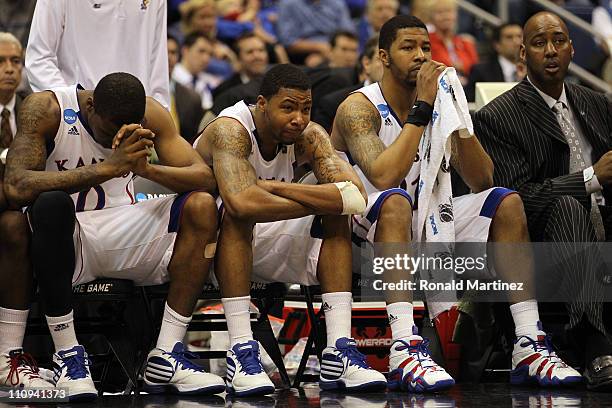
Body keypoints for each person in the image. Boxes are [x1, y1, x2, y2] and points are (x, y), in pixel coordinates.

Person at [331, 15, 581, 392]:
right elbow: (384, 176)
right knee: (397, 201)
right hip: (359, 232)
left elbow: (483, 179)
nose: (420, 56)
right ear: (383, 56)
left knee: (506, 202)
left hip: (424, 220)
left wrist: (456, 117)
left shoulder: (436, 103)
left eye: (426, 48)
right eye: (408, 47)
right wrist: (424, 108)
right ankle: (403, 345)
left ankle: (528, 342)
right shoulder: (358, 107)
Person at [4, 72, 224, 400]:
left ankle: (166, 353)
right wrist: (108, 167)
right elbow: (16, 186)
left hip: (126, 229)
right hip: (67, 238)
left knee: (202, 205)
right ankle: (67, 354)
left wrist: (148, 170)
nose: (116, 137)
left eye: (127, 128)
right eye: (110, 129)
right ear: (91, 106)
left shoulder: (151, 113)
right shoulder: (47, 108)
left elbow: (204, 177)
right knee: (48, 206)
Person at [195, 64, 387, 396]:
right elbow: (242, 203)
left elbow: (355, 195)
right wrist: (321, 200)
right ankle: (241, 348)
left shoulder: (309, 135)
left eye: (306, 108)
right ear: (262, 104)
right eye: (288, 107)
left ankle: (338, 347)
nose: (298, 118)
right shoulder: (231, 129)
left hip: (266, 238)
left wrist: (272, 187)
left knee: (337, 213)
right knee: (240, 213)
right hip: (205, 246)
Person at [474, 11, 612, 391]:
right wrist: (590, 178)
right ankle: (592, 344)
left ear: (571, 49)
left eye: (559, 41)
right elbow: (517, 201)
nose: (550, 50)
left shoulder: (597, 103)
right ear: (522, 54)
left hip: (604, 223)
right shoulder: (497, 116)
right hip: (540, 243)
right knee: (569, 207)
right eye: (539, 43)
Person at [25, 0, 169, 108]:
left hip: (137, 118)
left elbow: (158, 63)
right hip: (79, 118)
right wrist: (73, 106)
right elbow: (39, 58)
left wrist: (160, 112)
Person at [467, 23, 525, 102]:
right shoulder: (481, 71)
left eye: (519, 36)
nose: (517, 42)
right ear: (497, 45)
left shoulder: (534, 69)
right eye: (509, 37)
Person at [168, 34, 205, 144]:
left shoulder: (192, 97)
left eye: (173, 53)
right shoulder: (143, 91)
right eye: (164, 52)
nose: (169, 57)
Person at [172, 32, 222, 111]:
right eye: (201, 51)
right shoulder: (171, 76)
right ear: (185, 50)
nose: (206, 59)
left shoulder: (208, 82)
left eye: (210, 54)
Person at [213, 32, 269, 98]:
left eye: (261, 50)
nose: (257, 56)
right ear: (239, 58)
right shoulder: (224, 90)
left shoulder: (277, 85)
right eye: (250, 52)